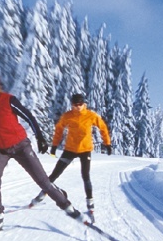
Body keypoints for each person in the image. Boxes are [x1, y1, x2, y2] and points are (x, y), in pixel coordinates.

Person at [0, 69, 86, 233]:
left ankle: (68, 207)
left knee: (43, 182)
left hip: (20, 145)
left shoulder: (8, 100)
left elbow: (29, 117)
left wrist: (40, 137)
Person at [29, 93, 111, 222]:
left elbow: (103, 128)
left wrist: (107, 143)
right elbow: (59, 129)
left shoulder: (91, 115)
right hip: (70, 150)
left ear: (84, 104)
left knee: (86, 176)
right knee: (54, 175)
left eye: (80, 104)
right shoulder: (68, 116)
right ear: (72, 104)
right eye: (75, 105)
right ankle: (39, 197)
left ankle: (90, 205)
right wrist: (54, 145)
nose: (77, 107)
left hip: (85, 150)